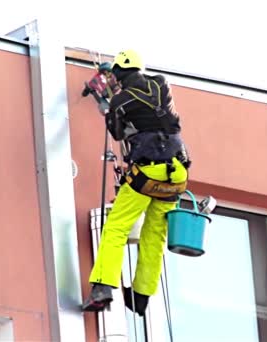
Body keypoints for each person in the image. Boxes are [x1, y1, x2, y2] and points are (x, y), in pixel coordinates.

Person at [81, 49, 191, 316]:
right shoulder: (161, 83)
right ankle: (141, 297)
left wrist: (108, 101)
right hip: (176, 173)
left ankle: (103, 288)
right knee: (154, 235)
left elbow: (117, 132)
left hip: (147, 172)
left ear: (118, 73)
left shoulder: (120, 100)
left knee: (117, 227)